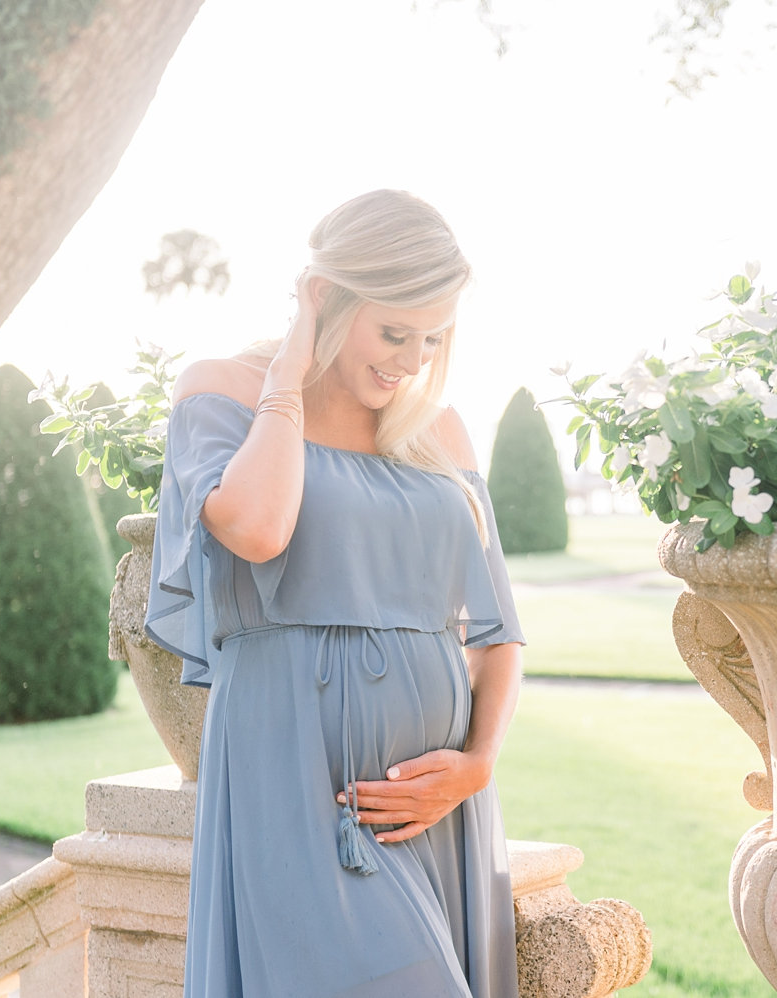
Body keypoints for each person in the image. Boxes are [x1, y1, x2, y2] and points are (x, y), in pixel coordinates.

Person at [143, 189, 524, 998]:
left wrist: (477, 764)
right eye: (394, 332)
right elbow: (257, 529)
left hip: (436, 804)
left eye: (433, 338)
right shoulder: (223, 392)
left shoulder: (439, 429)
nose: (412, 360)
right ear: (325, 295)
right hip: (296, 782)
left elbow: (497, 633)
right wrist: (288, 375)